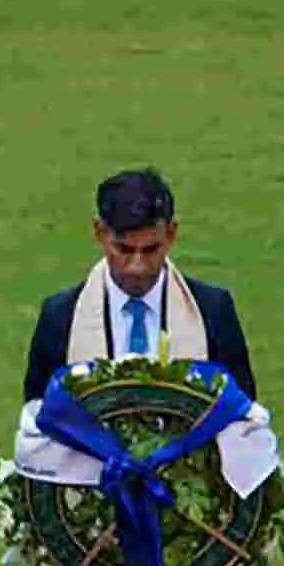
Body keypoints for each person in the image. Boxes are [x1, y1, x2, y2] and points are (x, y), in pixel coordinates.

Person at [21, 167, 257, 409]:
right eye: (124, 250)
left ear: (172, 233)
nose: (137, 268)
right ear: (99, 233)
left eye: (151, 250)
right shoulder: (60, 317)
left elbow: (243, 418)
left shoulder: (213, 311)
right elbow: (38, 423)